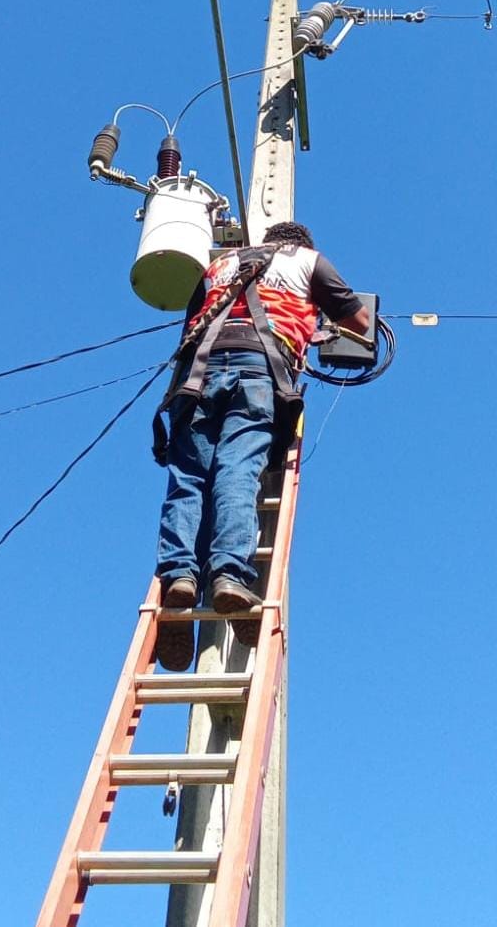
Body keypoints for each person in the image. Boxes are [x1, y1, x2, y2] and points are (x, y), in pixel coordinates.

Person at [153, 220, 370, 670]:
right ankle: (228, 574)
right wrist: (318, 317)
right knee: (237, 470)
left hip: (195, 377)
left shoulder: (219, 266)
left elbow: (191, 325)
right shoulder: (308, 261)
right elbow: (360, 321)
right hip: (258, 369)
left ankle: (179, 576)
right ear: (301, 243)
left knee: (189, 479)